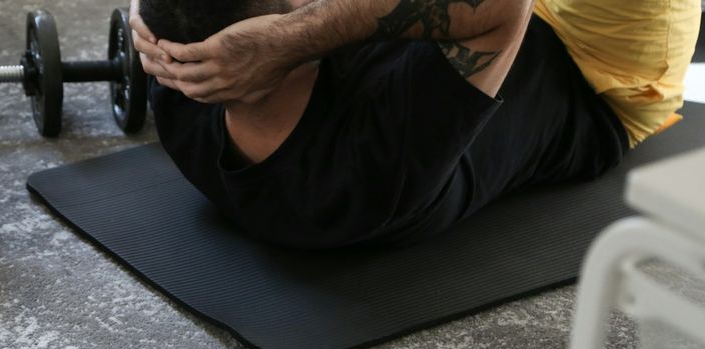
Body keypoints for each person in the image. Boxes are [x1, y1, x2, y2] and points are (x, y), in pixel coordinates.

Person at [129, 0, 701, 248]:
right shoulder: (363, 175)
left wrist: (145, 19)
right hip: (591, 69)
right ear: (271, 46)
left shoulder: (184, 87)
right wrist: (293, 36)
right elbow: (503, 9)